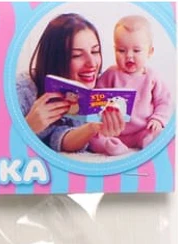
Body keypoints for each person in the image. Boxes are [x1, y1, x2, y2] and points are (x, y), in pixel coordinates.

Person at [17, 13, 125, 152]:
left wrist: (93, 127)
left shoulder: (104, 83)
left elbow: (60, 137)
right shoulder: (21, 91)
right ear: (55, 58)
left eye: (95, 51)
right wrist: (27, 127)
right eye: (77, 55)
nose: (92, 63)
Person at [90, 15, 173, 155]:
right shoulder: (110, 74)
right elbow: (95, 98)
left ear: (149, 52)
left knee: (154, 132)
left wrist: (158, 119)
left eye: (136, 50)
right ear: (114, 49)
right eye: (121, 50)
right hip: (112, 131)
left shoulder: (152, 77)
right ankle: (109, 146)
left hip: (142, 129)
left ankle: (149, 141)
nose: (129, 55)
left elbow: (164, 101)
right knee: (93, 137)